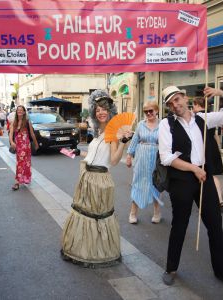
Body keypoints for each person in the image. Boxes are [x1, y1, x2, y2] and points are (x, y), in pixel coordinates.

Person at [159, 85, 223, 290]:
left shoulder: (202, 118)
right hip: (183, 180)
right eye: (170, 103)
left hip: (204, 179)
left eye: (177, 99)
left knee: (215, 225)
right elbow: (167, 158)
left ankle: (222, 272)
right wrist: (193, 169)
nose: (175, 105)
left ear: (184, 97)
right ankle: (171, 268)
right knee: (179, 225)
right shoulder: (166, 124)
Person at [61, 89, 132, 267]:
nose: (101, 112)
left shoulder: (113, 132)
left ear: (110, 111)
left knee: (96, 217)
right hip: (88, 178)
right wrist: (78, 152)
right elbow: (95, 155)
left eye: (104, 109)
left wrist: (123, 143)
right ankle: (84, 249)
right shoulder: (99, 132)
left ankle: (97, 253)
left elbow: (114, 161)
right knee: (85, 215)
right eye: (98, 109)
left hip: (100, 181)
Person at [126, 101, 162, 224]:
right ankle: (133, 213)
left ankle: (157, 212)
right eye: (146, 111)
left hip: (156, 159)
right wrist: (129, 156)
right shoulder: (141, 124)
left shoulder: (163, 125)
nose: (148, 113)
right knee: (138, 183)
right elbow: (134, 140)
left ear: (156, 110)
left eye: (151, 110)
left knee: (155, 184)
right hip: (141, 158)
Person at [192, 97, 223, 213]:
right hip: (213, 146)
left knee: (208, 175)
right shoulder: (211, 116)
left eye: (193, 106)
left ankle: (213, 200)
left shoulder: (198, 117)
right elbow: (215, 135)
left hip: (204, 147)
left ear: (196, 105)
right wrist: (218, 148)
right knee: (212, 175)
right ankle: (219, 200)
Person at [8, 105, 39, 191]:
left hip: (26, 145)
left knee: (26, 163)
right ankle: (18, 181)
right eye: (18, 110)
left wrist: (36, 144)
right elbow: (11, 134)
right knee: (20, 163)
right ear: (16, 112)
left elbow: (32, 134)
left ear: (24, 112)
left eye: (21, 110)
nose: (19, 112)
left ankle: (23, 179)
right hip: (18, 145)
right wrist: (12, 142)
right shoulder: (14, 122)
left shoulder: (27, 121)